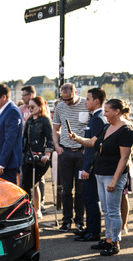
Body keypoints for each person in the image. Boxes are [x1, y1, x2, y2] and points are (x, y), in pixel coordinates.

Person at [69, 99, 133, 256]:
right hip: (100, 172)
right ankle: (109, 239)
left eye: (107, 111)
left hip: (113, 174)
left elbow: (124, 158)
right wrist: (77, 138)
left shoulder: (126, 130)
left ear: (117, 111)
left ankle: (115, 242)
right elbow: (92, 142)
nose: (104, 114)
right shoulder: (107, 126)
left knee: (112, 210)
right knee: (105, 209)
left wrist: (114, 180)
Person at [52, 83, 89, 232]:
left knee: (81, 189)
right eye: (64, 99)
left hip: (81, 152)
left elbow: (92, 127)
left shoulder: (86, 104)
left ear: (76, 92)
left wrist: (87, 146)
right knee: (66, 189)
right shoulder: (60, 107)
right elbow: (55, 128)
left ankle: (79, 220)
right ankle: (66, 220)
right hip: (65, 152)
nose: (67, 102)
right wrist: (56, 145)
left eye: (69, 99)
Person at [75, 88, 107, 242]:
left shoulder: (98, 119)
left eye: (87, 99)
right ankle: (90, 228)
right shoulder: (96, 117)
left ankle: (93, 232)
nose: (85, 102)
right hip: (91, 165)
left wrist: (87, 168)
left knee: (91, 199)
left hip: (92, 168)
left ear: (96, 101)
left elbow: (94, 147)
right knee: (88, 198)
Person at [21, 96, 54, 218]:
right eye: (29, 107)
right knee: (27, 184)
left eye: (32, 107)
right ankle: (31, 209)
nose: (30, 109)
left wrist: (47, 153)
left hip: (40, 157)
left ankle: (36, 208)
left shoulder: (45, 121)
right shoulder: (29, 121)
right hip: (28, 156)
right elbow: (24, 139)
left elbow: (50, 139)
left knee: (33, 183)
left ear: (40, 107)